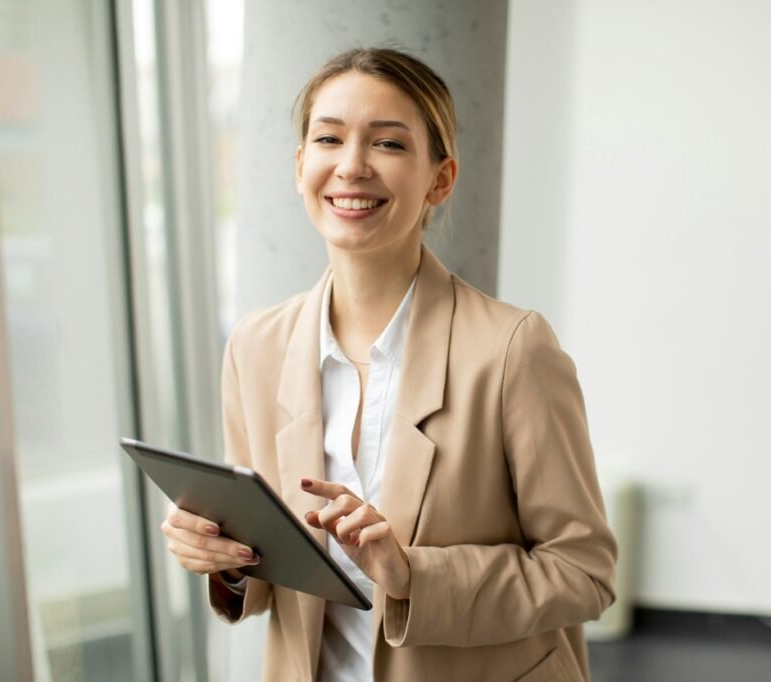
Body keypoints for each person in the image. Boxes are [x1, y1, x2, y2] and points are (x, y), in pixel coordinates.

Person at [161, 47, 616, 681]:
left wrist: (413, 576)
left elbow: (584, 572)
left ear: (441, 178)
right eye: (328, 139)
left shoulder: (514, 349)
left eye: (389, 145)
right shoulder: (255, 347)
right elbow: (271, 572)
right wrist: (228, 560)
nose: (351, 167)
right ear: (300, 167)